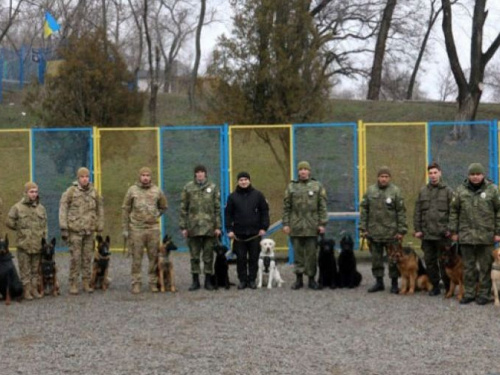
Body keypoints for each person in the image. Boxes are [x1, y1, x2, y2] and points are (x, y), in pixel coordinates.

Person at [449, 162, 500, 305]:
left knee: (485, 267)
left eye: (478, 174)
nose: (475, 177)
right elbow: (454, 211)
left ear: (483, 175)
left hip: (486, 236)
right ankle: (469, 293)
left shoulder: (492, 190)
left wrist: (498, 232)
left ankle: (484, 294)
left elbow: (498, 211)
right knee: (468, 267)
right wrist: (453, 231)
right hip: (466, 236)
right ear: (468, 175)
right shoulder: (460, 191)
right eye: (472, 174)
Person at [360, 166, 407, 294]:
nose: (384, 179)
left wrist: (401, 230)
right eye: (382, 176)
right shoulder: (370, 191)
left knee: (393, 259)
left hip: (391, 232)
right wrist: (363, 228)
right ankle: (379, 282)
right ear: (378, 178)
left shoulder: (396, 191)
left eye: (386, 177)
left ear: (389, 178)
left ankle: (394, 284)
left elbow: (401, 212)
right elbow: (364, 210)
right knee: (376, 259)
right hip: (374, 232)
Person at [122, 167, 168, 294]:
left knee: (153, 257)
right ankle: (136, 283)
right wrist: (125, 228)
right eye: (143, 175)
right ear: (139, 176)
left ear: (151, 177)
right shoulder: (132, 190)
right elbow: (125, 209)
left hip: (152, 229)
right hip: (136, 229)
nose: (145, 177)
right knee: (136, 258)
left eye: (148, 175)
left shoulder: (157, 191)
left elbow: (164, 206)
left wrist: (155, 215)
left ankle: (153, 283)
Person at [282, 161, 328, 290]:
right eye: (300, 169)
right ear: (298, 171)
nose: (303, 171)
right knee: (298, 254)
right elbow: (286, 207)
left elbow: (322, 206)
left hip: (312, 226)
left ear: (309, 171)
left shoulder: (317, 186)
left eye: (305, 169)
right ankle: (298, 279)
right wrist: (286, 223)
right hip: (296, 225)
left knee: (311, 255)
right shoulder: (291, 187)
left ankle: (312, 279)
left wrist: (322, 223)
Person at [59, 167, 104, 295]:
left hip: (89, 231)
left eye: (87, 177)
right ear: (78, 178)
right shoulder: (71, 192)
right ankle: (73, 283)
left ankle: (86, 281)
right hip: (75, 231)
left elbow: (100, 209)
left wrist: (99, 226)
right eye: (82, 177)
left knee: (87, 257)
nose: (85, 179)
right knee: (75, 258)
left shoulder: (94, 192)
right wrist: (64, 228)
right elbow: (63, 209)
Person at [225, 171, 270, 290]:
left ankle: (252, 280)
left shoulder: (258, 195)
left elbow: (264, 212)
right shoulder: (232, 197)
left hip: (255, 233)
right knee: (240, 258)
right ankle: (242, 280)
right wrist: (229, 229)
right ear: (238, 181)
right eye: (241, 180)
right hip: (239, 234)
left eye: (245, 179)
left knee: (254, 257)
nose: (243, 182)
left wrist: (264, 227)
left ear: (249, 181)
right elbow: (228, 214)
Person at [414, 162, 453, 296]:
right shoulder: (423, 191)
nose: (433, 175)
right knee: (430, 262)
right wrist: (418, 229)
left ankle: (448, 287)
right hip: (427, 235)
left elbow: (454, 213)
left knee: (444, 262)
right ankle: (435, 285)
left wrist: (450, 229)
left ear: (440, 173)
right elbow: (418, 212)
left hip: (443, 235)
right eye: (430, 173)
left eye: (435, 172)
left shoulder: (448, 191)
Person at [180, 165, 221, 291]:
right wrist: (183, 227)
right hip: (193, 227)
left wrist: (218, 227)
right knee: (194, 256)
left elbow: (217, 209)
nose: (200, 174)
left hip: (209, 227)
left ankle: (208, 281)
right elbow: (183, 208)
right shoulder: (188, 187)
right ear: (195, 174)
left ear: (205, 174)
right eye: (197, 172)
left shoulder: (213, 187)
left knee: (208, 256)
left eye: (202, 172)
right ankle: (195, 281)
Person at [6, 182, 47, 300]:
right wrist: (20, 229)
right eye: (31, 192)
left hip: (37, 244)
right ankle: (26, 291)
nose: (34, 194)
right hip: (24, 244)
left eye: (36, 192)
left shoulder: (41, 208)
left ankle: (34, 289)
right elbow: (9, 221)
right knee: (25, 270)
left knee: (35, 270)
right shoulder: (17, 207)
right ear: (26, 192)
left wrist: (44, 239)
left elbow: (45, 226)